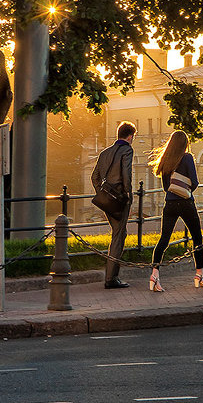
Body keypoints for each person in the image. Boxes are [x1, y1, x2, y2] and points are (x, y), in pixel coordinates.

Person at [148, 130, 203, 292]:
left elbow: (166, 187)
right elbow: (195, 182)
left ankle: (154, 275)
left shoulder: (165, 160)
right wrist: (186, 190)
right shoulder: (187, 158)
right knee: (197, 238)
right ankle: (199, 275)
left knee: (164, 239)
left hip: (170, 204)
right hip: (186, 203)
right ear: (184, 144)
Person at [91, 121, 136, 289]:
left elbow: (94, 177)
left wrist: (102, 193)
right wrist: (128, 194)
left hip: (107, 201)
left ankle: (112, 276)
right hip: (120, 200)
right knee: (118, 235)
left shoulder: (105, 153)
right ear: (130, 136)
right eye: (133, 137)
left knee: (119, 233)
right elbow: (126, 174)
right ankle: (111, 279)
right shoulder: (127, 150)